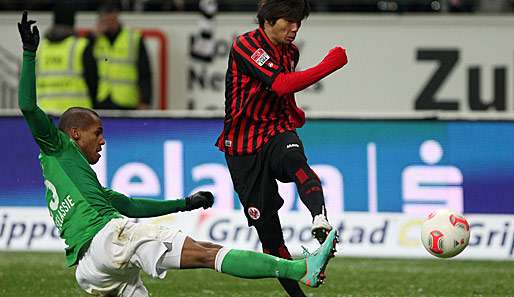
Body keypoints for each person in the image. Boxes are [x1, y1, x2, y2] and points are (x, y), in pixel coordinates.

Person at [17, 12, 338, 297]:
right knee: (206, 253)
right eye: (97, 132)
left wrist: (184, 204)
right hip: (110, 239)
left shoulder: (74, 180)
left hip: (89, 269)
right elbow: (29, 107)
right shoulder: (56, 144)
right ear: (74, 134)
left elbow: (129, 205)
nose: (102, 141)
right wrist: (30, 54)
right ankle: (299, 269)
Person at [215, 0, 347, 296]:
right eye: (288, 21)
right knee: (270, 235)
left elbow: (280, 94)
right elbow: (280, 84)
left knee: (297, 162)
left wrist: (292, 112)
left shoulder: (291, 52)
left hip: (274, 130)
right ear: (268, 20)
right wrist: (329, 65)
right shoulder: (245, 45)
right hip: (243, 146)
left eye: (298, 22)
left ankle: (320, 220)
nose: (294, 28)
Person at [88, 1, 153, 110]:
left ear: (117, 15)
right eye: (104, 18)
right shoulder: (94, 39)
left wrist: (145, 101)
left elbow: (144, 72)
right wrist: (92, 38)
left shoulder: (133, 38)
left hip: (126, 101)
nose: (108, 22)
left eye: (111, 17)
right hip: (100, 99)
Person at [35, 0, 95, 113]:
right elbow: (93, 82)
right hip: (77, 116)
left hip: (45, 114)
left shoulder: (41, 48)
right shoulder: (81, 46)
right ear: (73, 21)